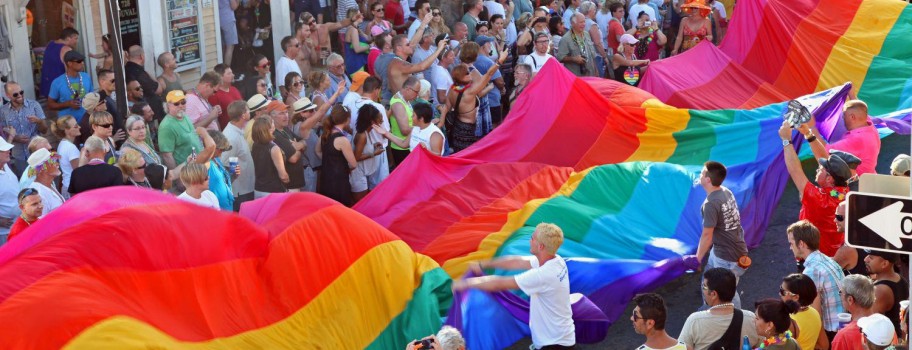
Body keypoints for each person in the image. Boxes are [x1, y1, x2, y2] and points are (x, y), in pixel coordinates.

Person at [453, 223, 575, 349]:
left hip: (554, 344)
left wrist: (466, 283)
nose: (530, 240)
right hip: (560, 338)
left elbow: (500, 283)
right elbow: (517, 261)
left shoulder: (543, 275)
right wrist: (483, 264)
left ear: (540, 246)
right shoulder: (555, 260)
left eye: (532, 238)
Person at [684, 161, 749, 309]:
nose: (699, 175)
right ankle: (708, 309)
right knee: (707, 280)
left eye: (702, 173)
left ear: (707, 180)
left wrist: (697, 259)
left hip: (726, 257)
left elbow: (707, 235)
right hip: (729, 250)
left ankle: (734, 318)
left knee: (725, 293)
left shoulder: (711, 204)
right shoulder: (726, 191)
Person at [781, 121, 852, 257]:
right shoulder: (843, 191)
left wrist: (786, 140)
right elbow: (824, 159)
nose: (817, 169)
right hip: (834, 253)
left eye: (820, 169)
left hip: (815, 257)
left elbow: (795, 170)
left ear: (829, 179)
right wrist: (808, 134)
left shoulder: (819, 199)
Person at [787, 220, 846, 342]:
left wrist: (820, 341)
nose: (790, 247)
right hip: (842, 326)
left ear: (801, 244)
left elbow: (815, 312)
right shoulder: (827, 260)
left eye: (791, 243)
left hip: (830, 332)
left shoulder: (811, 271)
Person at [678, 268, 762, 350]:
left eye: (704, 287)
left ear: (714, 294)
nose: (703, 290)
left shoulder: (695, 320)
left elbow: (680, 348)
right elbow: (764, 345)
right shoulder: (752, 319)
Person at [448, 45, 508, 153]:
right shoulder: (470, 91)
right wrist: (499, 61)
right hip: (469, 128)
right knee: (470, 153)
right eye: (467, 74)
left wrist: (442, 120)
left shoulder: (452, 88)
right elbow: (489, 75)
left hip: (457, 126)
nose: (470, 75)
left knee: (461, 154)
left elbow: (447, 107)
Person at [800, 100, 881, 176]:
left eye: (844, 115)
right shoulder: (870, 127)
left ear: (852, 117)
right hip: (869, 180)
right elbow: (861, 109)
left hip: (856, 185)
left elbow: (824, 154)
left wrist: (811, 127)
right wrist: (851, 93)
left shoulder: (857, 139)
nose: (843, 118)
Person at [0, 81, 47, 175]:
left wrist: (39, 121)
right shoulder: (3, 111)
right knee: (24, 185)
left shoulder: (34, 105)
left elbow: (45, 130)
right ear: (7, 95)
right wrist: (15, 138)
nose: (20, 95)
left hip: (37, 153)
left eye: (21, 92)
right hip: (19, 156)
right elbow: (3, 134)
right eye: (15, 94)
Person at [385, 34, 446, 103]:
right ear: (399, 48)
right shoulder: (398, 63)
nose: (411, 46)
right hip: (402, 105)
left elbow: (390, 87)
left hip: (402, 103)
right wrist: (439, 49)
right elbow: (422, 67)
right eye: (408, 45)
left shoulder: (396, 62)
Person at [317, 105, 357, 206]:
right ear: (347, 120)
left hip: (325, 179)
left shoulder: (325, 133)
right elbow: (353, 164)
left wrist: (329, 161)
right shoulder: (342, 140)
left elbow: (317, 151)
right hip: (339, 182)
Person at [865, 250, 909, 337]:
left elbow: (871, 325)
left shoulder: (880, 290)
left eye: (871, 258)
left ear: (884, 264)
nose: (865, 259)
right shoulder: (900, 279)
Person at [220, 101, 255, 211]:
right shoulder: (231, 137)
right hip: (240, 191)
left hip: (246, 186)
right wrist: (235, 174)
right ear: (243, 115)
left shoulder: (238, 130)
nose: (250, 112)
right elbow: (225, 161)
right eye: (248, 110)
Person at [376, 102, 444, 156]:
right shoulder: (416, 128)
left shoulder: (434, 133)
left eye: (413, 115)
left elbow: (437, 155)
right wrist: (385, 133)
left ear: (421, 119)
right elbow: (404, 144)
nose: (411, 117)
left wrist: (426, 150)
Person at [159, 91, 205, 171]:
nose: (181, 106)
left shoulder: (184, 115)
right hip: (186, 172)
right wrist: (177, 179)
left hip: (199, 166)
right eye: (176, 103)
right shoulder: (166, 127)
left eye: (183, 102)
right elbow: (167, 156)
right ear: (168, 105)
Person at [351, 104, 386, 203]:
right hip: (357, 176)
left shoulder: (366, 133)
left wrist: (373, 145)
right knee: (360, 204)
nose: (382, 122)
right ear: (372, 121)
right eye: (380, 119)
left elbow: (363, 148)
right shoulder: (362, 135)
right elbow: (356, 158)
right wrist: (374, 153)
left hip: (362, 174)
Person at [267, 101, 305, 192]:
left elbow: (303, 141)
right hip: (288, 186)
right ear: (272, 116)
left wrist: (300, 145)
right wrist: (301, 149)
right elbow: (293, 158)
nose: (286, 116)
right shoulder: (275, 134)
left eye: (286, 112)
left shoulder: (285, 129)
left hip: (295, 183)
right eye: (281, 113)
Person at [780, 273, 824, 350]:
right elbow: (824, 345)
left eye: (783, 291)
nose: (780, 294)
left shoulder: (788, 322)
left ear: (796, 297)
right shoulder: (815, 313)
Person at [832, 274, 876, 350]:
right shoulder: (886, 326)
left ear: (850, 300)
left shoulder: (843, 337)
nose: (840, 296)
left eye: (840, 292)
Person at [250, 115, 289, 198]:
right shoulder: (274, 148)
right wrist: (287, 180)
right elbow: (283, 176)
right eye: (272, 123)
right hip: (273, 191)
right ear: (270, 128)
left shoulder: (255, 145)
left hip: (258, 189)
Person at [47, 51, 93, 121]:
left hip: (86, 121)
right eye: (79, 61)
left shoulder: (86, 77)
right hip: (67, 124)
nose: (82, 63)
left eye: (83, 61)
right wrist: (67, 104)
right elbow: (50, 105)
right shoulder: (57, 82)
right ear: (70, 63)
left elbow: (92, 97)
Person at [124, 46, 165, 120]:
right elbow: (159, 89)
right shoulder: (138, 72)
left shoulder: (126, 69)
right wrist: (148, 74)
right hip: (148, 113)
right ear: (141, 56)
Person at [388, 76, 421, 166]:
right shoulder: (398, 104)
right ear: (408, 89)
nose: (417, 95)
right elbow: (405, 130)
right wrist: (423, 127)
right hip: (401, 149)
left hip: (407, 145)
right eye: (416, 92)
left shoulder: (405, 99)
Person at [39, 27, 78, 98]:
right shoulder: (66, 49)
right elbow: (70, 72)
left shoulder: (50, 44)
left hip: (47, 86)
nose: (76, 41)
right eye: (75, 38)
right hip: (59, 88)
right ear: (68, 38)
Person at [557, 13, 599, 77]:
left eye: (584, 22)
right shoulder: (565, 39)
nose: (583, 24)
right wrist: (573, 59)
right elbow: (560, 58)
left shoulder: (586, 34)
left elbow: (591, 54)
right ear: (573, 24)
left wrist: (596, 70)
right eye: (581, 22)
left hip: (590, 74)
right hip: (576, 77)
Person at [26, 148, 65, 216]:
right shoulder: (39, 194)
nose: (57, 164)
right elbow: (40, 223)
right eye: (53, 161)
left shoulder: (49, 184)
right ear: (43, 169)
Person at [206, 130, 236, 210]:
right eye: (220, 149)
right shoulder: (206, 163)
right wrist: (203, 133)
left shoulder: (217, 160)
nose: (221, 153)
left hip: (227, 208)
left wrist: (234, 175)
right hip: (216, 210)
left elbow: (223, 183)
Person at [51, 116, 81, 197]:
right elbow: (79, 171)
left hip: (67, 185)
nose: (79, 127)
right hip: (72, 188)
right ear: (67, 130)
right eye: (75, 126)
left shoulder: (62, 144)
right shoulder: (71, 148)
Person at [209, 64, 243, 130]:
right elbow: (216, 119)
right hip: (229, 131)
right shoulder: (214, 95)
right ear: (220, 77)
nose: (233, 75)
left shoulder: (234, 89)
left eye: (232, 73)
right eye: (229, 74)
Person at [344, 9, 371, 75]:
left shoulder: (356, 28)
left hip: (358, 63)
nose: (362, 16)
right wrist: (370, 46)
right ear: (354, 16)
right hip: (356, 65)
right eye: (360, 14)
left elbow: (368, 39)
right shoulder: (353, 30)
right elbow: (357, 49)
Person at [0, 138, 14, 241]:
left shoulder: (5, 165)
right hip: (3, 234)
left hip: (15, 228)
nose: (8, 151)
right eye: (3, 150)